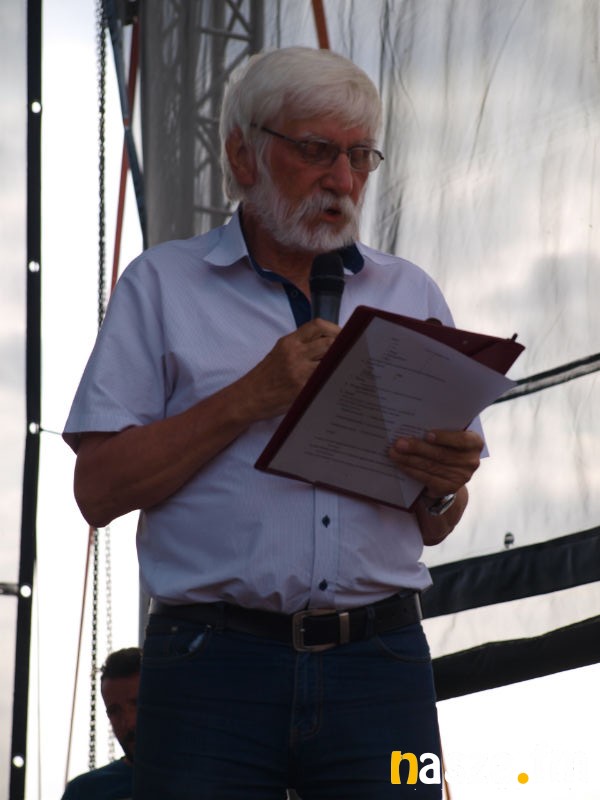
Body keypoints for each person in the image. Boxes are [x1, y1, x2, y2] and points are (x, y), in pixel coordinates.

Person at [63, 46, 484, 799]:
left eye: (360, 156)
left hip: (383, 667)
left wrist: (446, 485)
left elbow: (435, 524)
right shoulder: (161, 286)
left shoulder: (411, 292)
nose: (344, 180)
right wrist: (249, 396)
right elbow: (97, 491)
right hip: (209, 671)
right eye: (318, 151)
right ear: (242, 154)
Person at [61, 647, 140, 799]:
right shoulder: (84, 792)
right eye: (115, 711)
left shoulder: (190, 780)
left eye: (137, 704)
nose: (129, 723)